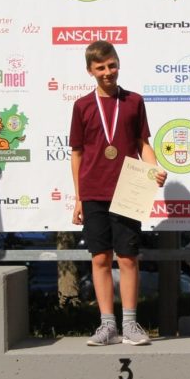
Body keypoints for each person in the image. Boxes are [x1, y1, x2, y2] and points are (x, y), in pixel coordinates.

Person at [70, 41, 167, 346]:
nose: (107, 72)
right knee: (100, 258)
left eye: (112, 65)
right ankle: (107, 325)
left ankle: (130, 324)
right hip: (94, 190)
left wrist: (155, 169)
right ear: (90, 71)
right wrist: (78, 198)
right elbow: (77, 154)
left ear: (118, 64)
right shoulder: (82, 106)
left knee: (127, 258)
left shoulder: (134, 102)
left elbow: (142, 144)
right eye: (100, 68)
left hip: (129, 189)